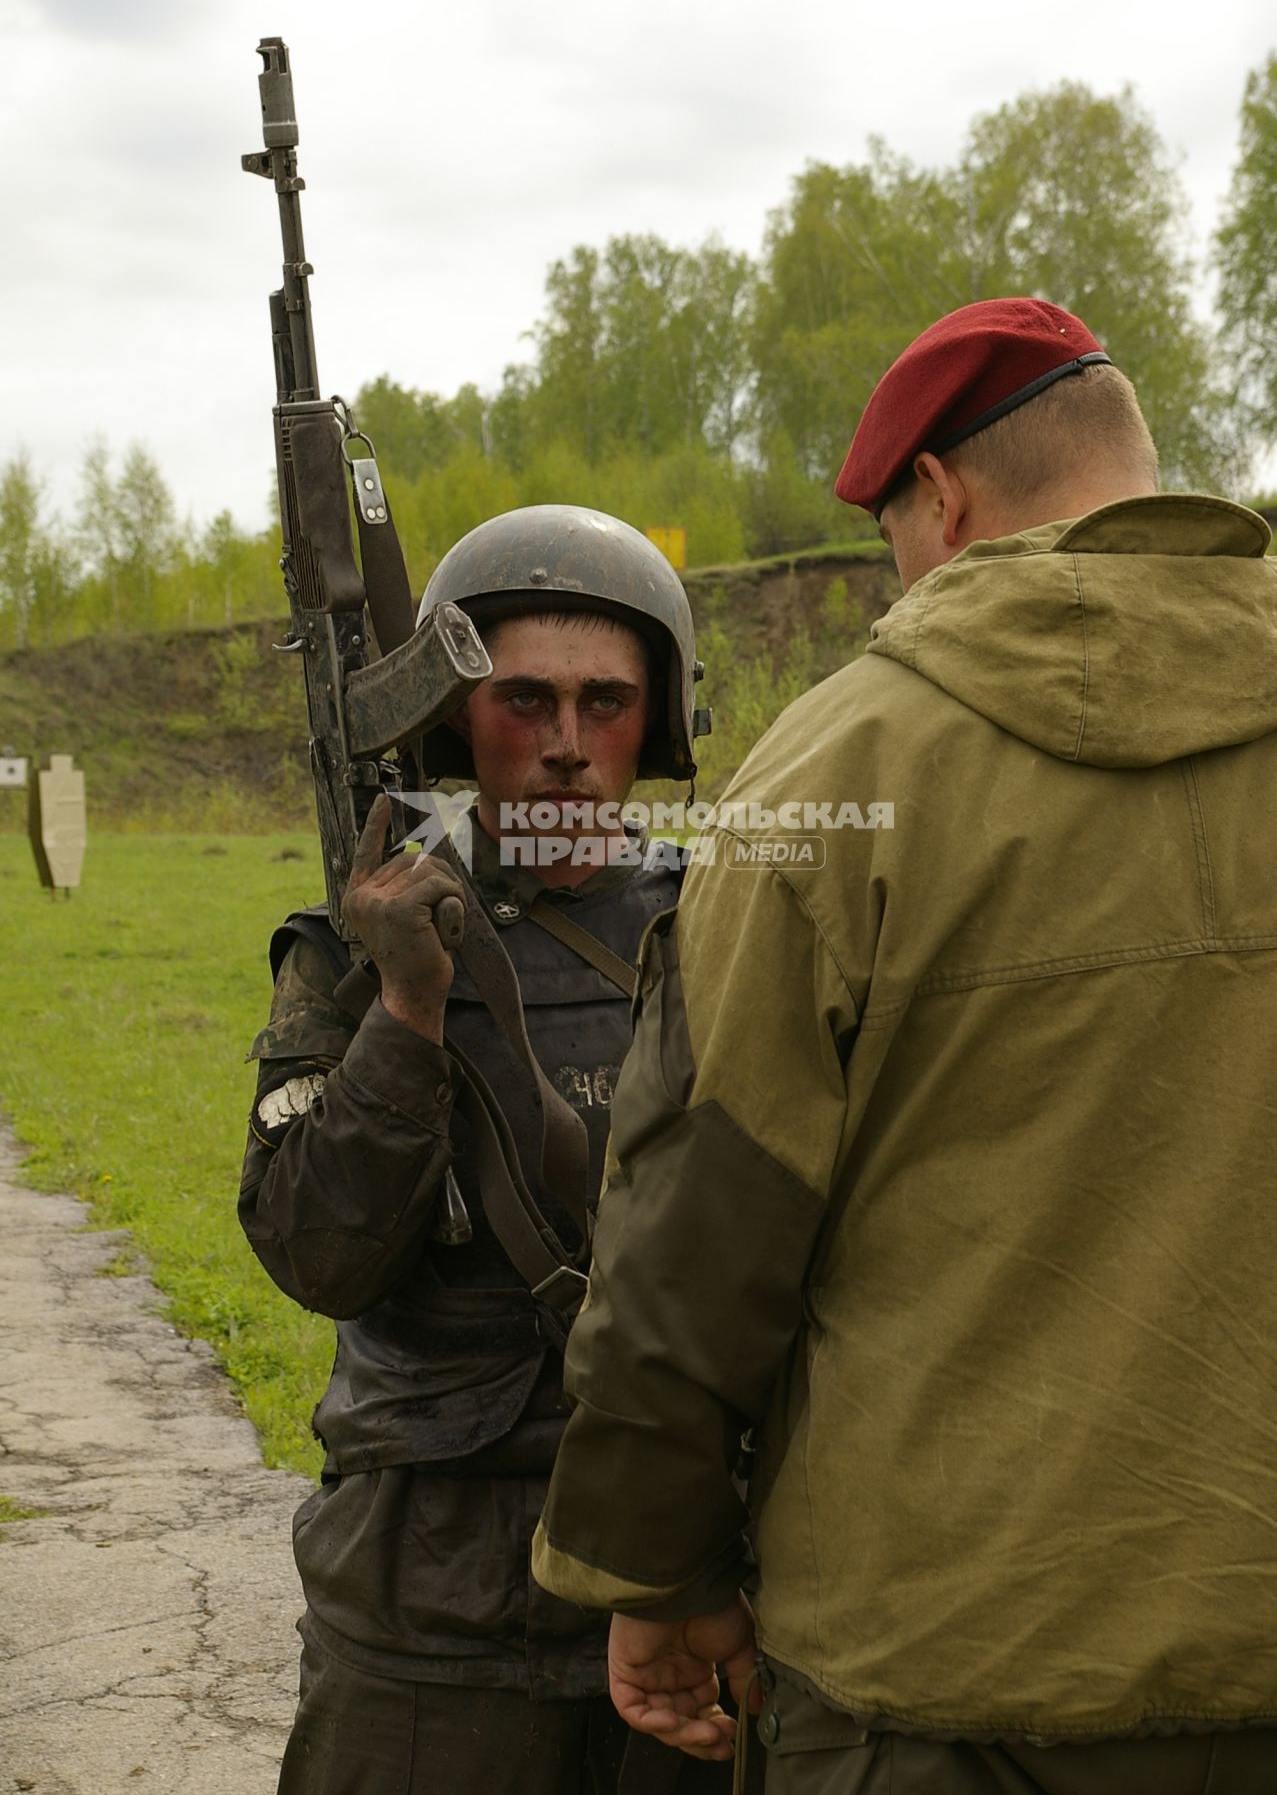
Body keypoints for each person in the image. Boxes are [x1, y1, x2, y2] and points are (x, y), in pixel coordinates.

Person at [532, 299, 1277, 1793]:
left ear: (937, 498)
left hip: (939, 1681)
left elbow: (692, 1237)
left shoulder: (832, 775)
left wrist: (655, 1576)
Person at [239, 503, 734, 1793]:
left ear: (658, 718)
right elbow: (315, 1253)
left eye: (605, 702)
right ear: (458, 714)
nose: (567, 746)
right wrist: (405, 1010)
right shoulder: (350, 946)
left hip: (683, 1566)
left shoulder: (727, 928)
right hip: (425, 1595)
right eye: (525, 699)